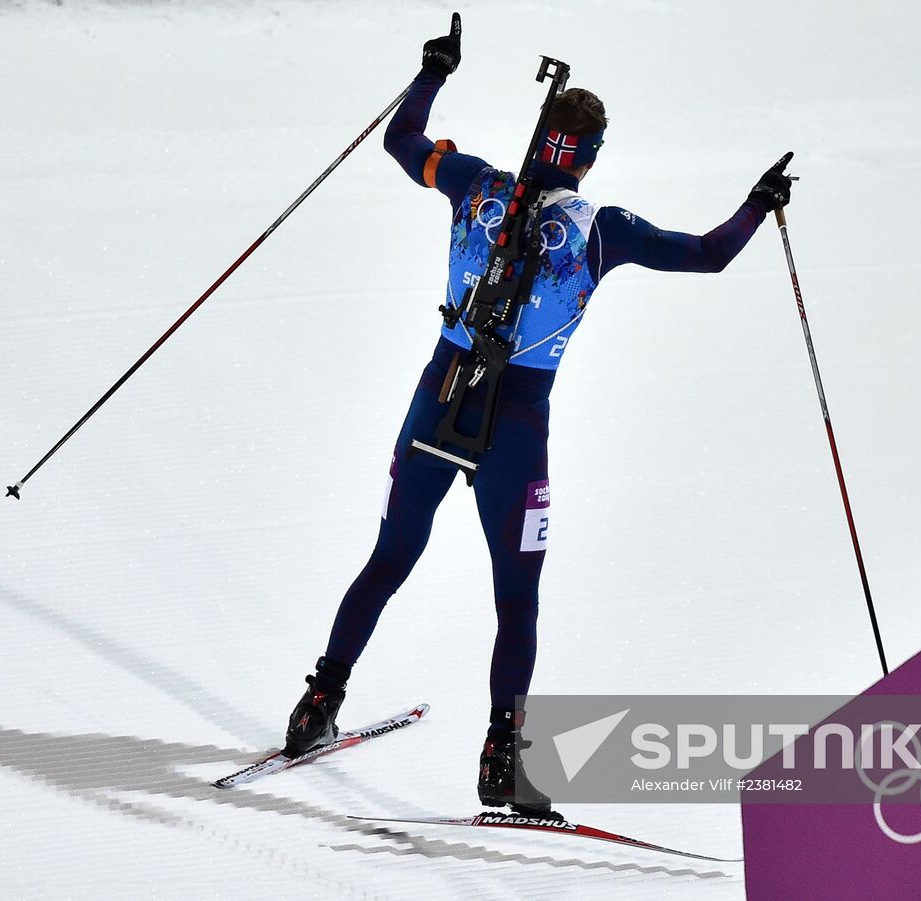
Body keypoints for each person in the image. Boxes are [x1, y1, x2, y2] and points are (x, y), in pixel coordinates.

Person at [280, 13, 792, 814]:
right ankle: (501, 760)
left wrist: (435, 70)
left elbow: (401, 139)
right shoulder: (602, 230)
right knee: (515, 598)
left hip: (437, 397)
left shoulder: (474, 182)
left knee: (389, 559)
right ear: (587, 157)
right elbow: (709, 253)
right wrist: (760, 203)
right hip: (516, 426)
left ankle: (317, 703)